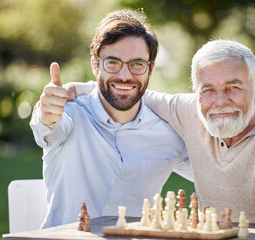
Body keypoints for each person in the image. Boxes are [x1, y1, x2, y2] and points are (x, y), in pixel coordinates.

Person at [73, 40, 255, 226]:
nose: (220, 102)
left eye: (233, 87)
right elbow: (134, 91)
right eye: (208, 90)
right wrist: (74, 89)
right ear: (196, 94)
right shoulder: (190, 111)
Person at [30, 10, 192, 228]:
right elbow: (48, 128)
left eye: (137, 64)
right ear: (95, 65)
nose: (125, 75)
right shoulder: (69, 113)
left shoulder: (168, 135)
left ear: (151, 69)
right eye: (113, 62)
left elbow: (213, 174)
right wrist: (46, 114)